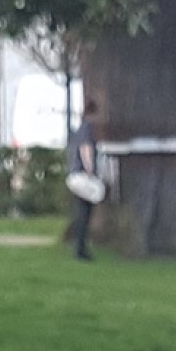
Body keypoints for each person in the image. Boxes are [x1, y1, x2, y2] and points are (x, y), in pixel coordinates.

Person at [66, 93, 103, 259]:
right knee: (85, 212)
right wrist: (90, 169)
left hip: (74, 175)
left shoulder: (78, 128)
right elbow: (85, 148)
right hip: (82, 175)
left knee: (82, 211)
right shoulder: (87, 128)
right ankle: (80, 249)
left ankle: (80, 247)